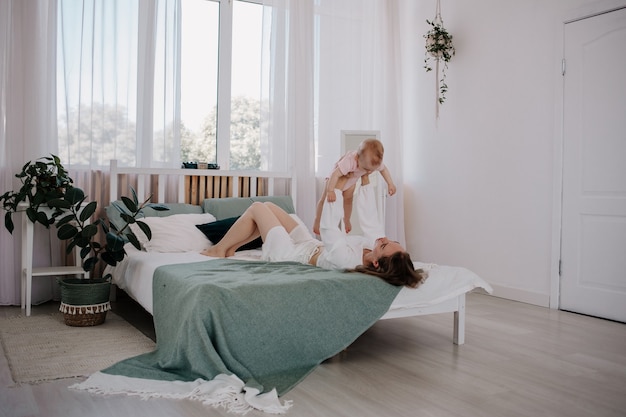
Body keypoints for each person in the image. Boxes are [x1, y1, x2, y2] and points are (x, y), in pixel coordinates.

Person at [201, 177, 426, 288]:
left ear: (376, 263)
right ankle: (230, 248)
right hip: (309, 246)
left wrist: (334, 190)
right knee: (268, 205)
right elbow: (371, 221)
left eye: (385, 245)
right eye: (391, 240)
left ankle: (219, 249)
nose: (384, 239)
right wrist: (365, 180)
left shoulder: (346, 259)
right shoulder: (373, 248)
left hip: (291, 255)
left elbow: (330, 230)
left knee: (257, 207)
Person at [313, 138, 396, 235]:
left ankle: (346, 220)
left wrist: (390, 183)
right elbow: (335, 174)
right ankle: (317, 220)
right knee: (324, 200)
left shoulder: (372, 161)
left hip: (351, 182)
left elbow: (384, 170)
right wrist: (330, 191)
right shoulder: (350, 161)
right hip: (334, 181)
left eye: (371, 170)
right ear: (357, 158)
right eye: (365, 169)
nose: (369, 172)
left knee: (348, 201)